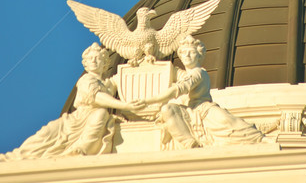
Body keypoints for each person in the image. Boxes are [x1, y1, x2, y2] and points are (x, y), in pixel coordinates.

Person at [0, 43, 141, 160]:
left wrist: (139, 62)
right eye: (90, 58)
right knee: (45, 135)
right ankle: (15, 156)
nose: (93, 61)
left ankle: (81, 149)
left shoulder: (106, 84)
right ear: (85, 63)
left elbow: (123, 77)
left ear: (105, 63)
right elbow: (97, 96)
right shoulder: (87, 80)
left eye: (97, 58)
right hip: (74, 121)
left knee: (101, 113)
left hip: (90, 118)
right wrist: (124, 105)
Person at [136, 35, 264, 149]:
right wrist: (146, 60)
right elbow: (171, 71)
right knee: (167, 109)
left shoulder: (198, 73)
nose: (187, 55)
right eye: (184, 52)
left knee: (232, 125)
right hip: (190, 111)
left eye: (191, 52)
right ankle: (190, 143)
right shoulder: (185, 74)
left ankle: (261, 138)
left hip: (205, 111)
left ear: (199, 55)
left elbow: (176, 90)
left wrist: (147, 100)